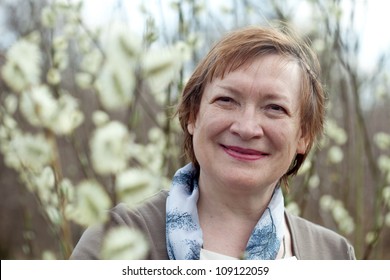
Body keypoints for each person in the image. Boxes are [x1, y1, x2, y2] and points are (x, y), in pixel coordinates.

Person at [70, 25, 356, 260]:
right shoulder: (113, 241)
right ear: (193, 114)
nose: (246, 128)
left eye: (275, 108)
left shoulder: (335, 256)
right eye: (226, 100)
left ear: (303, 136)